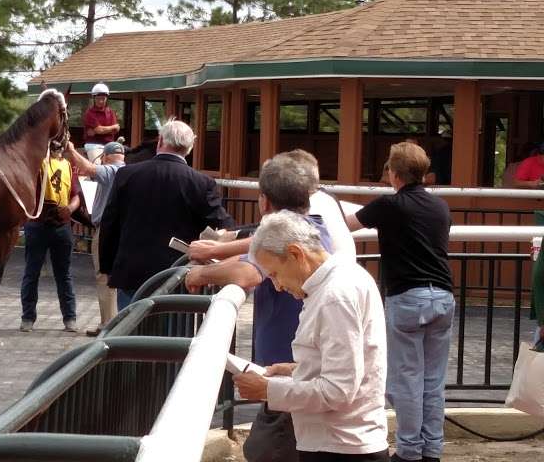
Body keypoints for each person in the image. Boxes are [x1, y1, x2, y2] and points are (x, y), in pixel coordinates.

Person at [184, 151, 337, 462]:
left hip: (294, 378)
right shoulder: (308, 229)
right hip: (290, 374)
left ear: (265, 201)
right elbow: (250, 254)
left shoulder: (288, 237)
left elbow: (248, 271)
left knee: (267, 451)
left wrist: (200, 273)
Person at [234, 210, 389, 462]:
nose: (277, 286)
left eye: (274, 274)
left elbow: (338, 390)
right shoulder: (339, 280)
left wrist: (268, 389)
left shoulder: (334, 295)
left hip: (340, 446)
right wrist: (297, 370)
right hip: (343, 441)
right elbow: (346, 368)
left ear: (296, 254)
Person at [346, 142, 453, 462]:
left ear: (394, 173)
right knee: (433, 381)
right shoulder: (441, 207)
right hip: (443, 296)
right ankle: (432, 450)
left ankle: (408, 452)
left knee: (406, 379)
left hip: (408, 297)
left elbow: (348, 223)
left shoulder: (389, 205)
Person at [99, 119, 233, 308]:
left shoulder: (127, 175)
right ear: (189, 147)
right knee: (170, 333)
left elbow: (109, 223)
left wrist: (107, 267)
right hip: (176, 275)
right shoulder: (201, 183)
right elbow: (223, 225)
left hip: (131, 272)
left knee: (130, 331)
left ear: (160, 140)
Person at [20, 140, 82, 333]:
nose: (57, 146)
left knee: (64, 274)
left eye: (60, 143)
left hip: (61, 226)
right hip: (38, 224)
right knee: (32, 272)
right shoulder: (38, 162)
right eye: (53, 143)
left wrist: (69, 209)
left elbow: (76, 195)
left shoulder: (69, 166)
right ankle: (28, 317)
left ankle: (70, 317)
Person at [65, 140, 126, 336]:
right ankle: (116, 320)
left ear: (106, 157)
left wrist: (72, 151)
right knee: (117, 276)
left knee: (103, 275)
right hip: (123, 230)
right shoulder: (128, 172)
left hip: (106, 231)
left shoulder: (110, 171)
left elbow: (87, 168)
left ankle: (107, 324)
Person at [83, 83, 120, 154]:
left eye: (103, 99)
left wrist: (97, 131)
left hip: (109, 145)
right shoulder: (90, 113)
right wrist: (112, 127)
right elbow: (99, 130)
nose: (100, 101)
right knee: (96, 164)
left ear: (106, 98)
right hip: (93, 145)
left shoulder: (111, 112)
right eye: (98, 98)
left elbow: (116, 130)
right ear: (94, 98)